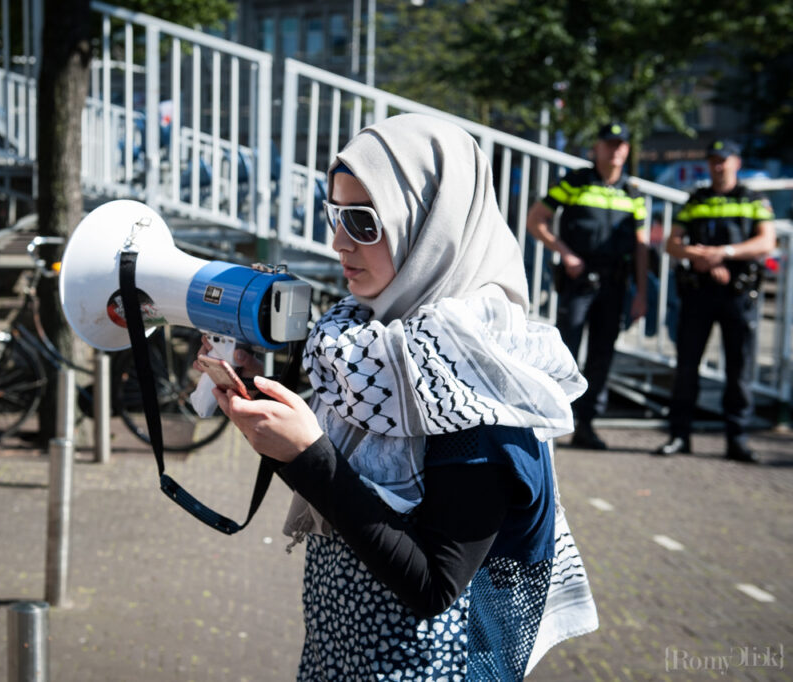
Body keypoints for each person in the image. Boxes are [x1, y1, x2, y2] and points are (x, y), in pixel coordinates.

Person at [203, 114, 598, 680]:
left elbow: (434, 585)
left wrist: (306, 455)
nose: (338, 242)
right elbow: (341, 481)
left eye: (364, 222)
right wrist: (262, 404)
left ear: (429, 225)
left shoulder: (475, 374)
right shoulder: (372, 348)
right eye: (335, 216)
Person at [526, 122, 648, 450]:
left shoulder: (633, 192)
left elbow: (640, 246)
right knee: (564, 350)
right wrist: (564, 253)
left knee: (601, 356)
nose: (616, 150)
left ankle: (586, 425)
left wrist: (642, 293)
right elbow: (536, 219)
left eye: (622, 144)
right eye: (609, 143)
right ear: (598, 147)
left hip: (616, 284)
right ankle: (547, 423)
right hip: (579, 281)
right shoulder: (576, 181)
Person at [654, 139, 776, 463]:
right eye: (713, 161)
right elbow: (673, 244)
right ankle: (679, 435)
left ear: (736, 162)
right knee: (686, 367)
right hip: (699, 293)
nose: (718, 166)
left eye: (723, 160)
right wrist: (701, 255)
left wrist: (724, 253)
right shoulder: (697, 199)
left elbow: (766, 241)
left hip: (739, 294)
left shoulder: (752, 199)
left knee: (739, 370)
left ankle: (737, 439)